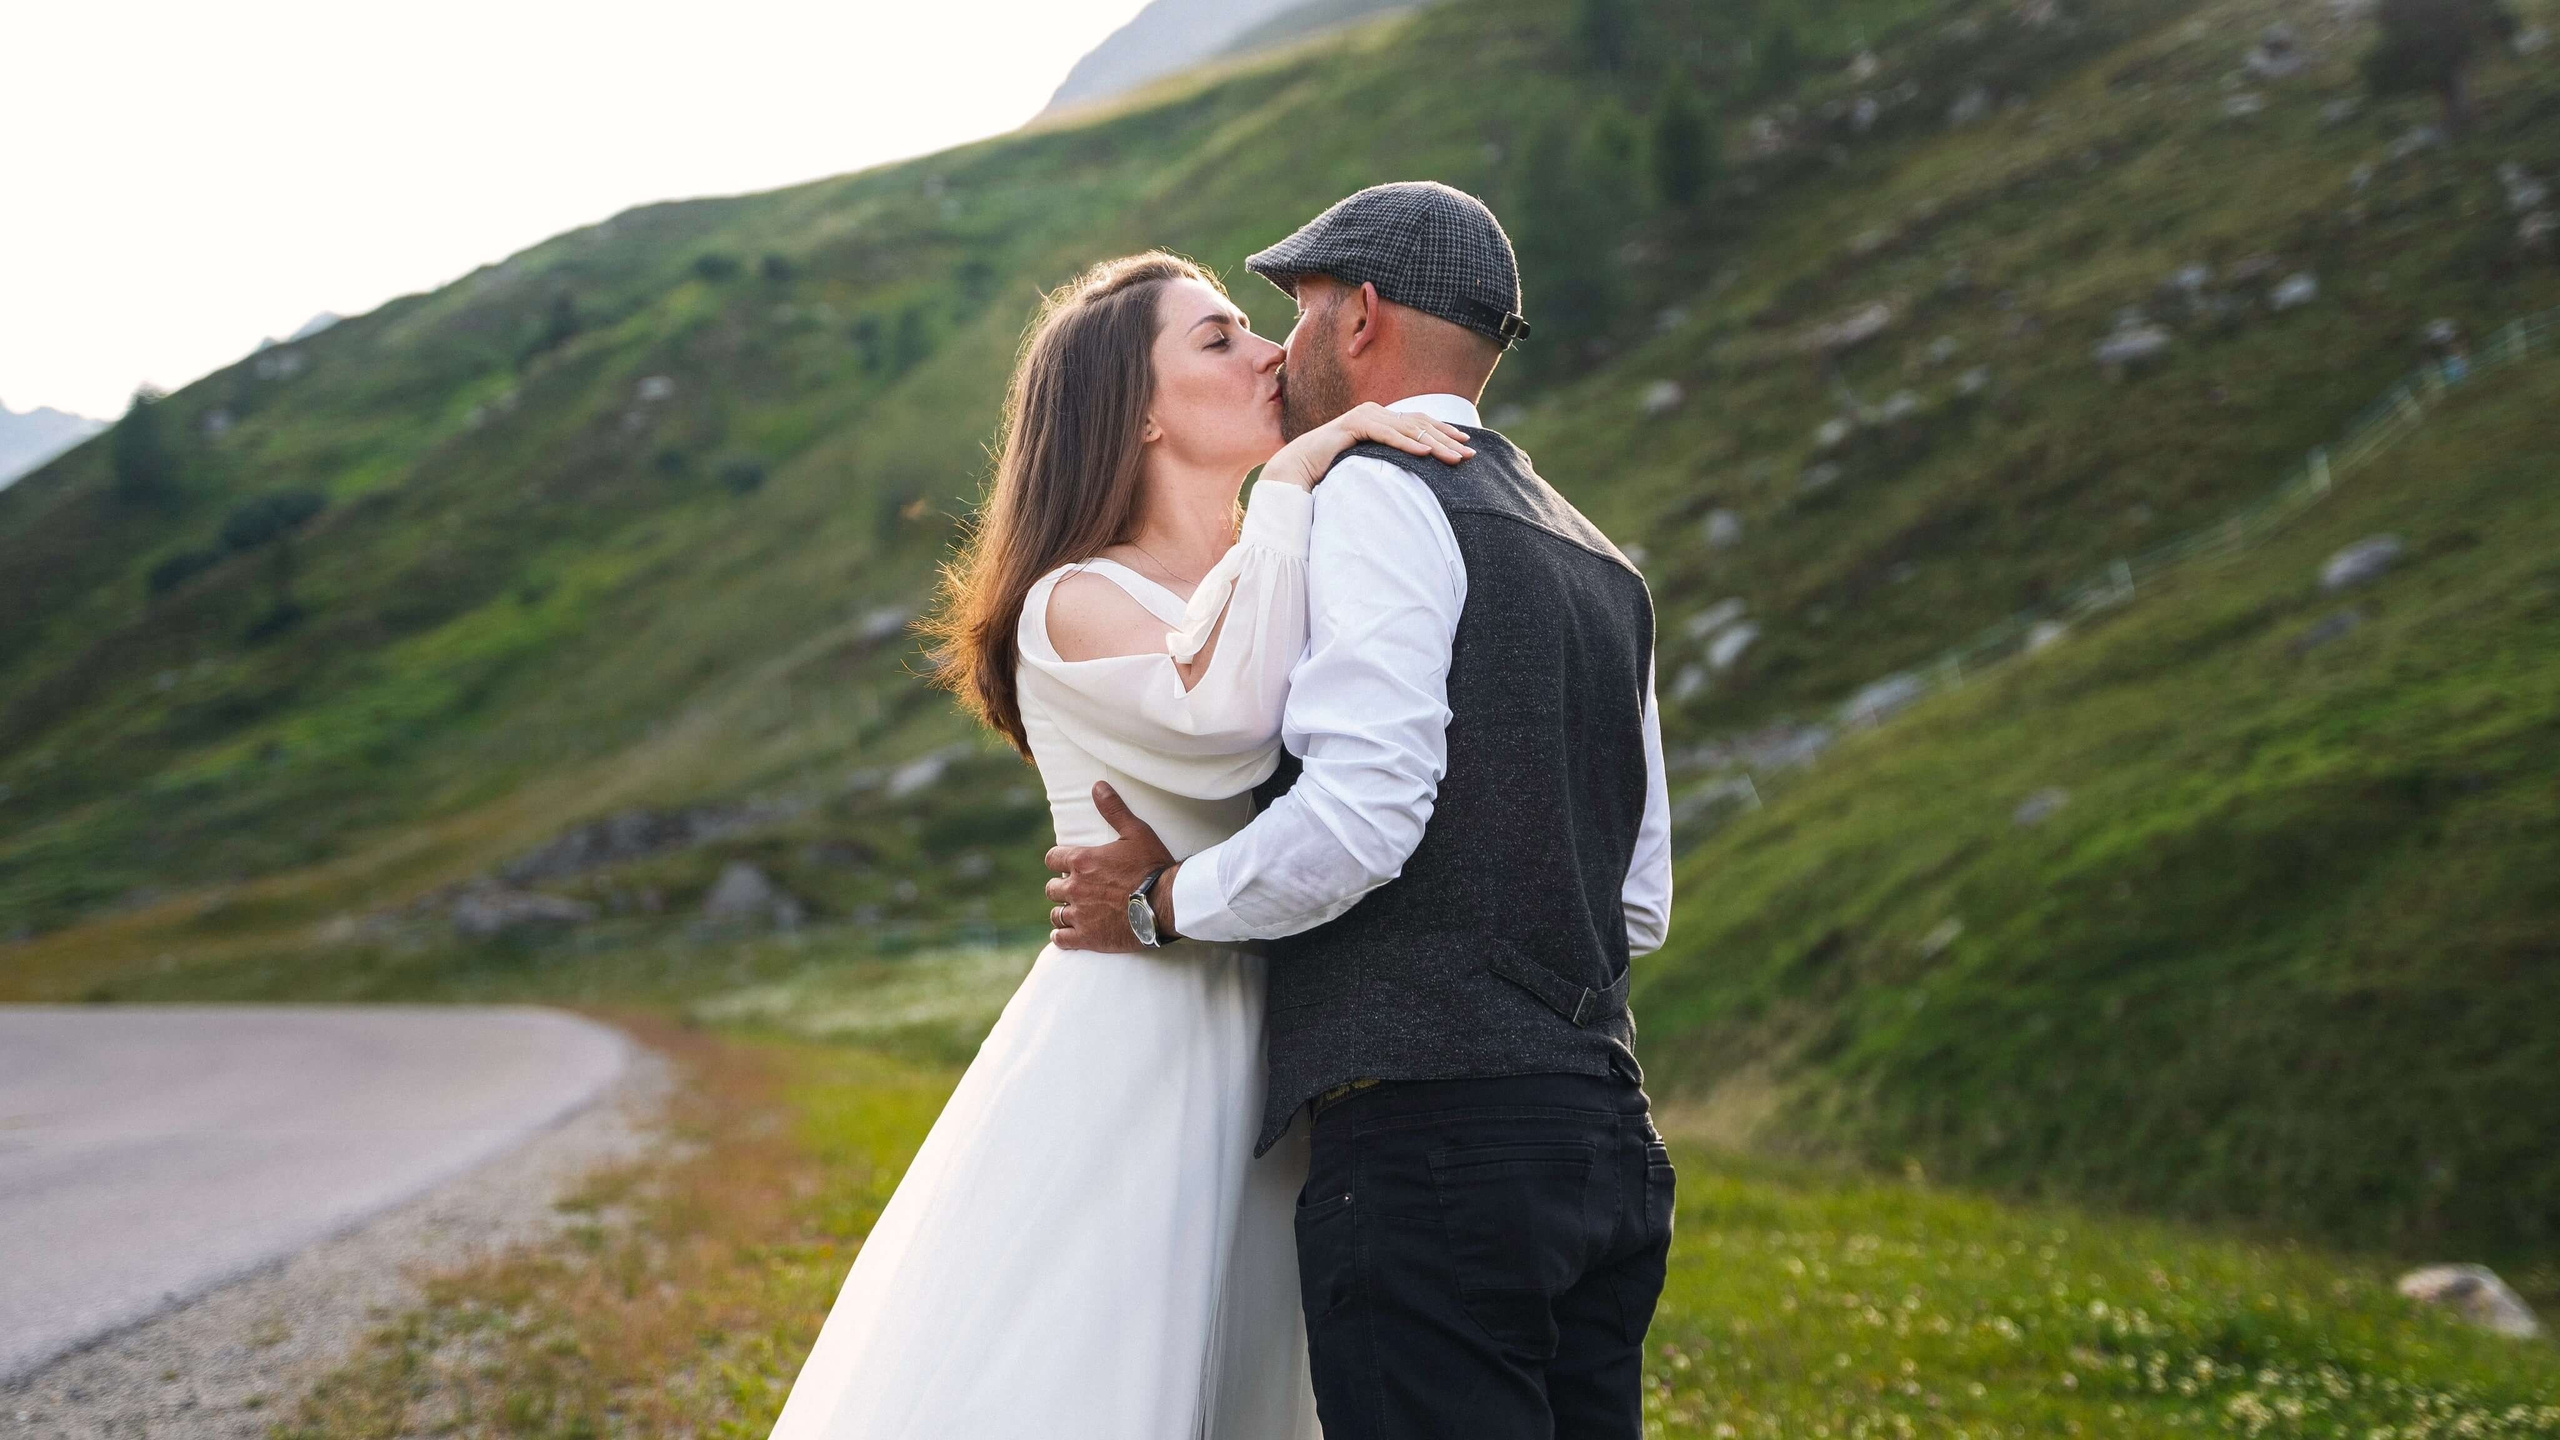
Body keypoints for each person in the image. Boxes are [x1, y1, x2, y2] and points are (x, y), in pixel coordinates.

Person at [764, 249, 1476, 1438]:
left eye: (1253, 330)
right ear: (1132, 410)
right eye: (1217, 339)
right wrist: (1302, 471)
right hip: (1144, 1044)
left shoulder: (1268, 562)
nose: (1268, 354)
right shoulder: (1069, 598)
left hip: (1284, 1031)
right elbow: (1238, 718)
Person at [1046, 182, 1676, 1440]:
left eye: (1302, 309)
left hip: (1436, 1141)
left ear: (1364, 316)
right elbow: (1638, 901)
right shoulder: (1600, 556)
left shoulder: (1375, 496)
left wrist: (1162, 902)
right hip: (1605, 1134)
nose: (1284, 347)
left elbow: (1359, 821)